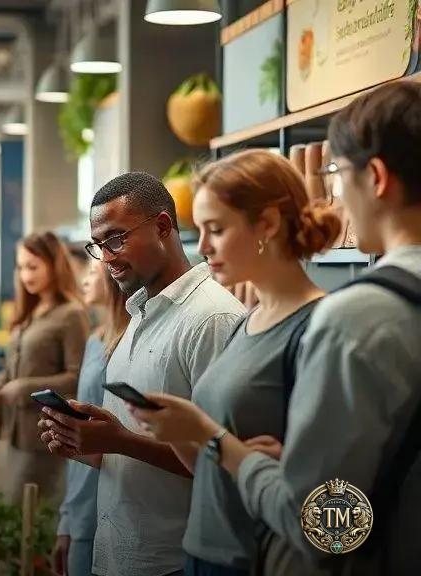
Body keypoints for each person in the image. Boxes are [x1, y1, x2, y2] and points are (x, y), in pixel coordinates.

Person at [128, 81, 421, 575]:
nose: (334, 195)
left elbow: (319, 522)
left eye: (337, 173)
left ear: (374, 177)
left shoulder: (352, 321)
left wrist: (223, 445)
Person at [111, 150, 340, 575]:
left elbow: (324, 502)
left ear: (267, 225)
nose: (202, 247)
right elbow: (212, 468)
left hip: (256, 557)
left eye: (215, 229)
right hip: (204, 549)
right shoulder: (245, 323)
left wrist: (207, 434)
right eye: (200, 230)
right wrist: (175, 431)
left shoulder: (318, 328)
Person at [38, 172, 245, 576]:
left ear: (163, 226)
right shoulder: (139, 313)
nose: (108, 257)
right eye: (99, 246)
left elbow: (225, 462)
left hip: (174, 560)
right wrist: (88, 444)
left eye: (116, 238)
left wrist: (120, 441)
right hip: (118, 553)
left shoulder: (212, 318)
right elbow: (133, 450)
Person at [0, 232, 89, 503]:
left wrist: (24, 389)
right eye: (21, 266)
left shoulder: (71, 314)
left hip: (44, 434)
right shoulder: (30, 310)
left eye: (33, 267)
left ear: (54, 264)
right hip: (14, 431)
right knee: (12, 513)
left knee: (30, 515)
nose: (26, 275)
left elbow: (78, 377)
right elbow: (13, 367)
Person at [52, 260, 130, 576]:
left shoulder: (129, 341)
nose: (83, 280)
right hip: (82, 480)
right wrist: (67, 516)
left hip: (113, 483)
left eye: (91, 273)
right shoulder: (94, 339)